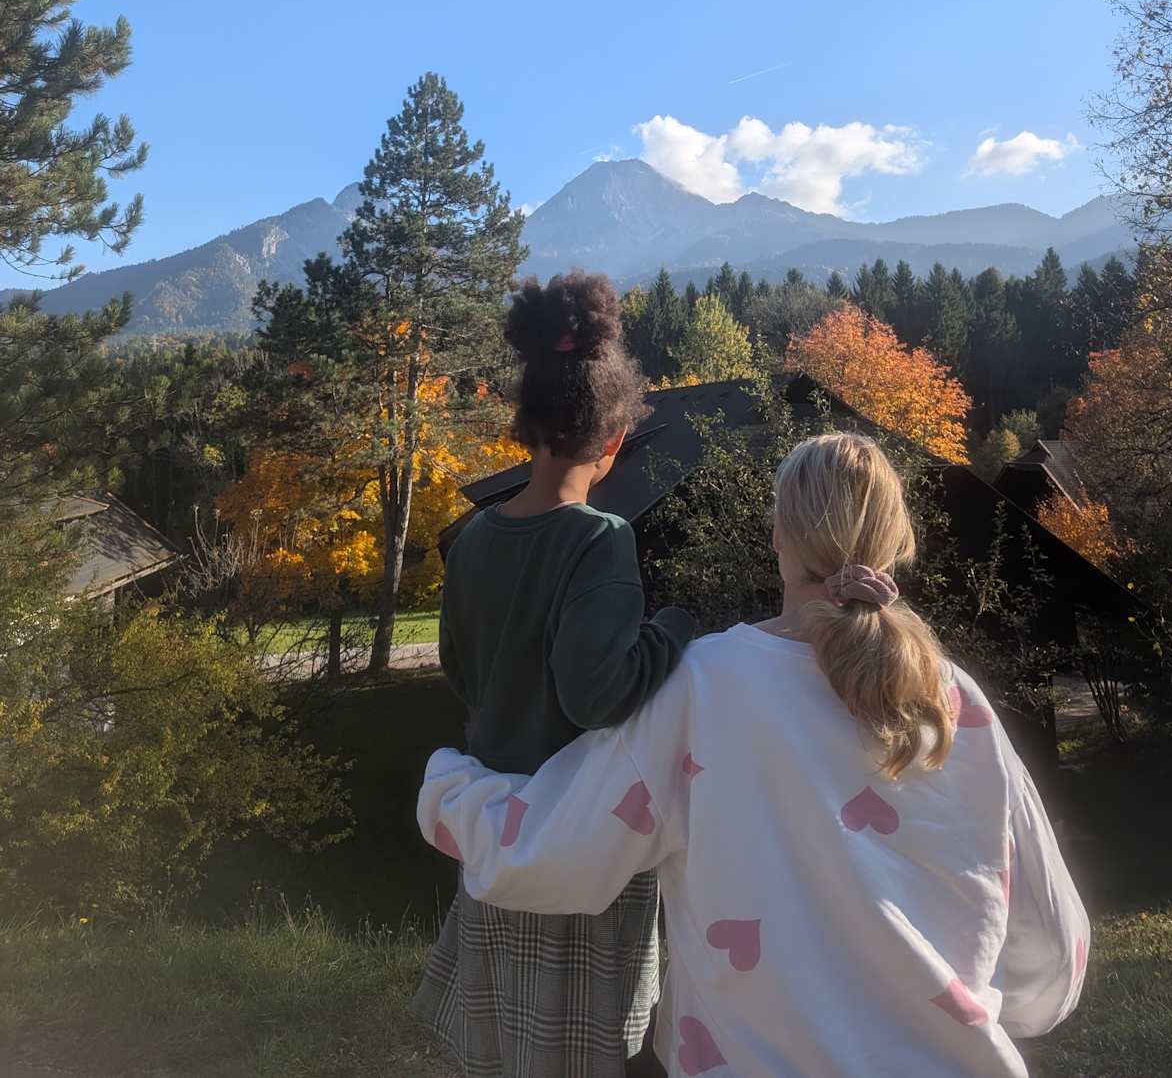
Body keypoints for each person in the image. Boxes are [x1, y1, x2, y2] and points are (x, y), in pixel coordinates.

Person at [419, 432, 1089, 1078]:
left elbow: (544, 856)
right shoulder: (954, 701)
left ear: (779, 537)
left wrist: (448, 786)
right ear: (896, 544)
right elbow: (1053, 952)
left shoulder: (702, 688)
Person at [413, 271, 697, 1078]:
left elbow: (459, 671)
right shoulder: (600, 539)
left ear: (527, 426)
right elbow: (597, 694)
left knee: (506, 1043)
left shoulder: (475, 538)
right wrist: (674, 630)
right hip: (578, 835)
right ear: (615, 440)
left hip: (496, 831)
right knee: (582, 1053)